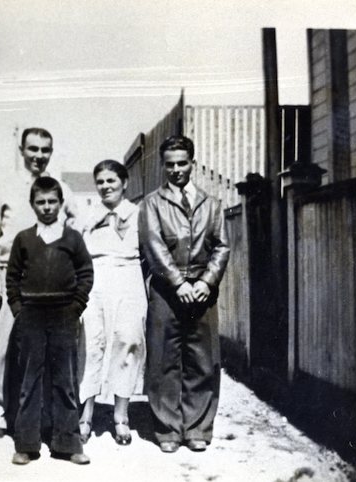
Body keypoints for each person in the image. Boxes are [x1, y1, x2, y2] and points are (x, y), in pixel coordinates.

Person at [0, 127, 80, 439]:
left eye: (44, 150)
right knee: (7, 348)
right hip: (14, 276)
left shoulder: (60, 187)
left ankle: (43, 416)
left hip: (52, 282)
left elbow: (76, 225)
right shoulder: (4, 186)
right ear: (22, 149)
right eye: (33, 149)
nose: (38, 156)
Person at [139, 135, 230, 453]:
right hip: (167, 291)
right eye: (170, 164)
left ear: (192, 163)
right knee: (164, 359)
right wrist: (179, 283)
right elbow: (153, 245)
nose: (176, 169)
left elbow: (221, 246)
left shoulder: (211, 203)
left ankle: (197, 427)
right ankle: (167, 429)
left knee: (202, 360)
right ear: (163, 166)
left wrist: (206, 282)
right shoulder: (152, 203)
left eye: (182, 163)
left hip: (204, 292)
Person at [6, 176, 93, 465]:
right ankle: (26, 444)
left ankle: (68, 443)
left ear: (61, 203)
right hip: (31, 314)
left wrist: (76, 305)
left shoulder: (72, 238)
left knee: (65, 379)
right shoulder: (24, 239)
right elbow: (12, 277)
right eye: (40, 202)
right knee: (29, 379)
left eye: (51, 201)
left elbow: (85, 273)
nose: (46, 207)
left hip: (64, 313)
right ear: (32, 205)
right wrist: (19, 308)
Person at [78, 160, 147, 446]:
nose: (106, 186)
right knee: (91, 344)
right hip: (96, 278)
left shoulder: (138, 213)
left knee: (128, 340)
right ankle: (85, 415)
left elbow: (149, 250)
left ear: (124, 183)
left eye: (111, 181)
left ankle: (121, 416)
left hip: (129, 276)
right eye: (101, 182)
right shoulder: (88, 214)